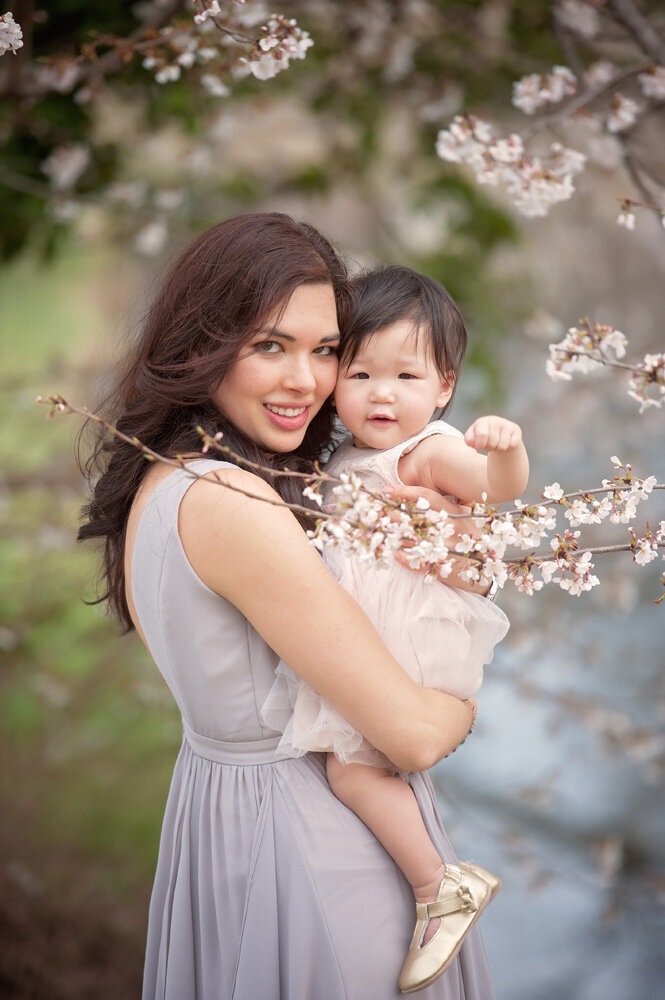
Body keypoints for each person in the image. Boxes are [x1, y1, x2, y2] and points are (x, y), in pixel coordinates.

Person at [78, 213, 496, 1000]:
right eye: (270, 346)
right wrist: (460, 701)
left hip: (222, 818)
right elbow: (407, 736)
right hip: (308, 848)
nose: (306, 381)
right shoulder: (231, 500)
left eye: (326, 349)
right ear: (202, 344)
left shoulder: (167, 477)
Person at [262, 265, 529, 993]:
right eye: (360, 373)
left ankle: (437, 885)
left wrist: (502, 448)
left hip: (406, 633)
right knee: (352, 768)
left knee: (353, 771)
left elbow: (497, 488)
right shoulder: (342, 455)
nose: (381, 394)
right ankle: (430, 882)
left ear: (442, 386)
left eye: (405, 376)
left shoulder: (428, 450)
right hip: (364, 630)